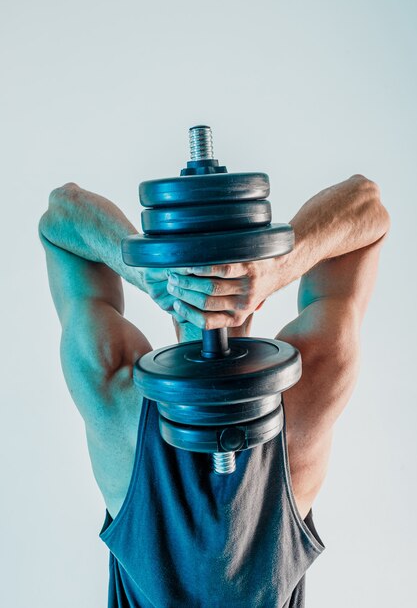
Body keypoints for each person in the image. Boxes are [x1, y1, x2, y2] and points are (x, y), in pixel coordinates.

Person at [39, 174, 390, 607]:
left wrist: (150, 269)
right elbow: (366, 206)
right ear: (253, 299)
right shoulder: (303, 411)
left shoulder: (118, 408)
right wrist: (275, 269)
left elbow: (62, 215)